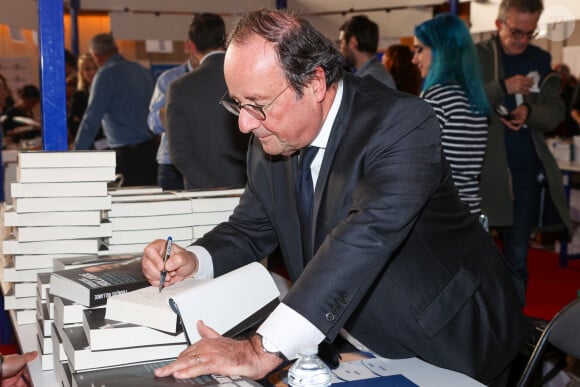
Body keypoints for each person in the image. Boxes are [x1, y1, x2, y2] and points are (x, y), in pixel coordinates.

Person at [142, 9, 531, 387]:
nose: (244, 123)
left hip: (446, 340)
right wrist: (195, 259)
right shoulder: (272, 137)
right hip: (352, 341)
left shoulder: (401, 124)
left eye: (257, 105)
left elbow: (366, 237)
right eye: (237, 105)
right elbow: (250, 227)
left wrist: (262, 349)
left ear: (314, 83)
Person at [476, 0, 569, 303]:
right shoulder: (478, 56)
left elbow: (556, 113)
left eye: (530, 33)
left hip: (525, 174)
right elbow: (461, 100)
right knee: (477, 263)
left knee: (517, 261)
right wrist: (502, 86)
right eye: (516, 32)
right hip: (482, 176)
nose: (523, 40)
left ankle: (515, 336)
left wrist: (529, 112)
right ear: (500, 24)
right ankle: (481, 331)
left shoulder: (541, 59)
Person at [412, 14, 489, 216]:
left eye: (420, 49)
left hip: (443, 216)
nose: (414, 59)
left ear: (442, 51)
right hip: (469, 211)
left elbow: (417, 167)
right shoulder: (473, 97)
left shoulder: (437, 98)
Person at [166, 13, 249, 190]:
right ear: (227, 40)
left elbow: (179, 154)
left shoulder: (179, 87)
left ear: (192, 46)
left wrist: (212, 188)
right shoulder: (247, 77)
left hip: (203, 195)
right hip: (250, 188)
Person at [73, 33, 157, 187]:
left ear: (96, 55)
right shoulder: (141, 71)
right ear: (116, 49)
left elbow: (90, 121)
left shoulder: (105, 76)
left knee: (127, 207)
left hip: (127, 159)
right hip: (151, 154)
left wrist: (75, 157)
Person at [148, 22, 200, 191]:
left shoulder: (222, 77)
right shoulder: (169, 79)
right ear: (188, 46)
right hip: (171, 165)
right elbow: (153, 124)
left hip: (207, 162)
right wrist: (174, 109)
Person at [339, 15, 395, 89]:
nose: (340, 48)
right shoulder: (374, 74)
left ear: (353, 42)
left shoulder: (369, 81)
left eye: (341, 42)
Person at [68, 53, 107, 149]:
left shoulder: (109, 92)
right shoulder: (79, 96)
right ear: (82, 73)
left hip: (111, 143)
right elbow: (74, 124)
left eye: (95, 67)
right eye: (88, 69)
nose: (93, 72)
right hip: (89, 146)